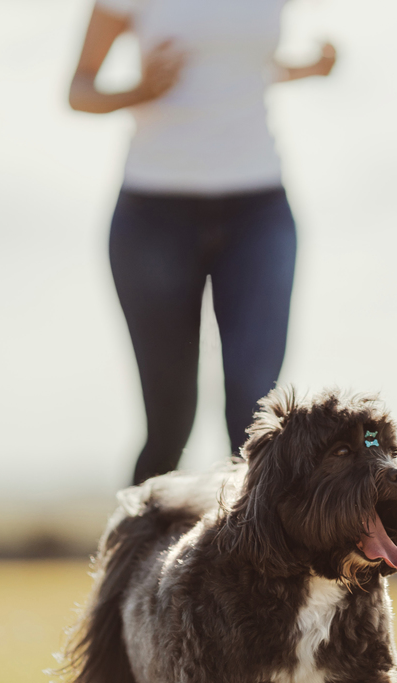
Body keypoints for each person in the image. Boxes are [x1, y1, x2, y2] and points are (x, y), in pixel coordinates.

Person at [69, 0, 336, 486]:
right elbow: (78, 90)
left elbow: (244, 67)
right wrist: (139, 90)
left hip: (258, 211)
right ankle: (138, 559)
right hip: (154, 215)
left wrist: (312, 67)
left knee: (256, 417)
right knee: (170, 425)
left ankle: (257, 561)